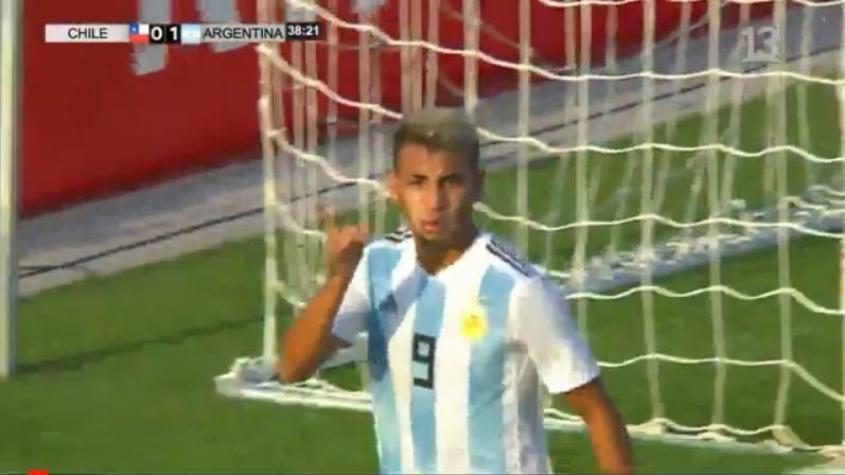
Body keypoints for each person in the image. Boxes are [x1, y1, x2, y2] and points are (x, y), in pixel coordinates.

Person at [277, 108, 633, 474]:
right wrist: (340, 277)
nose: (434, 202)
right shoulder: (377, 266)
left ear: (477, 184)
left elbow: (596, 410)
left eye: (450, 182)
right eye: (418, 182)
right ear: (394, 187)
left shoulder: (518, 289)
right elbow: (292, 367)